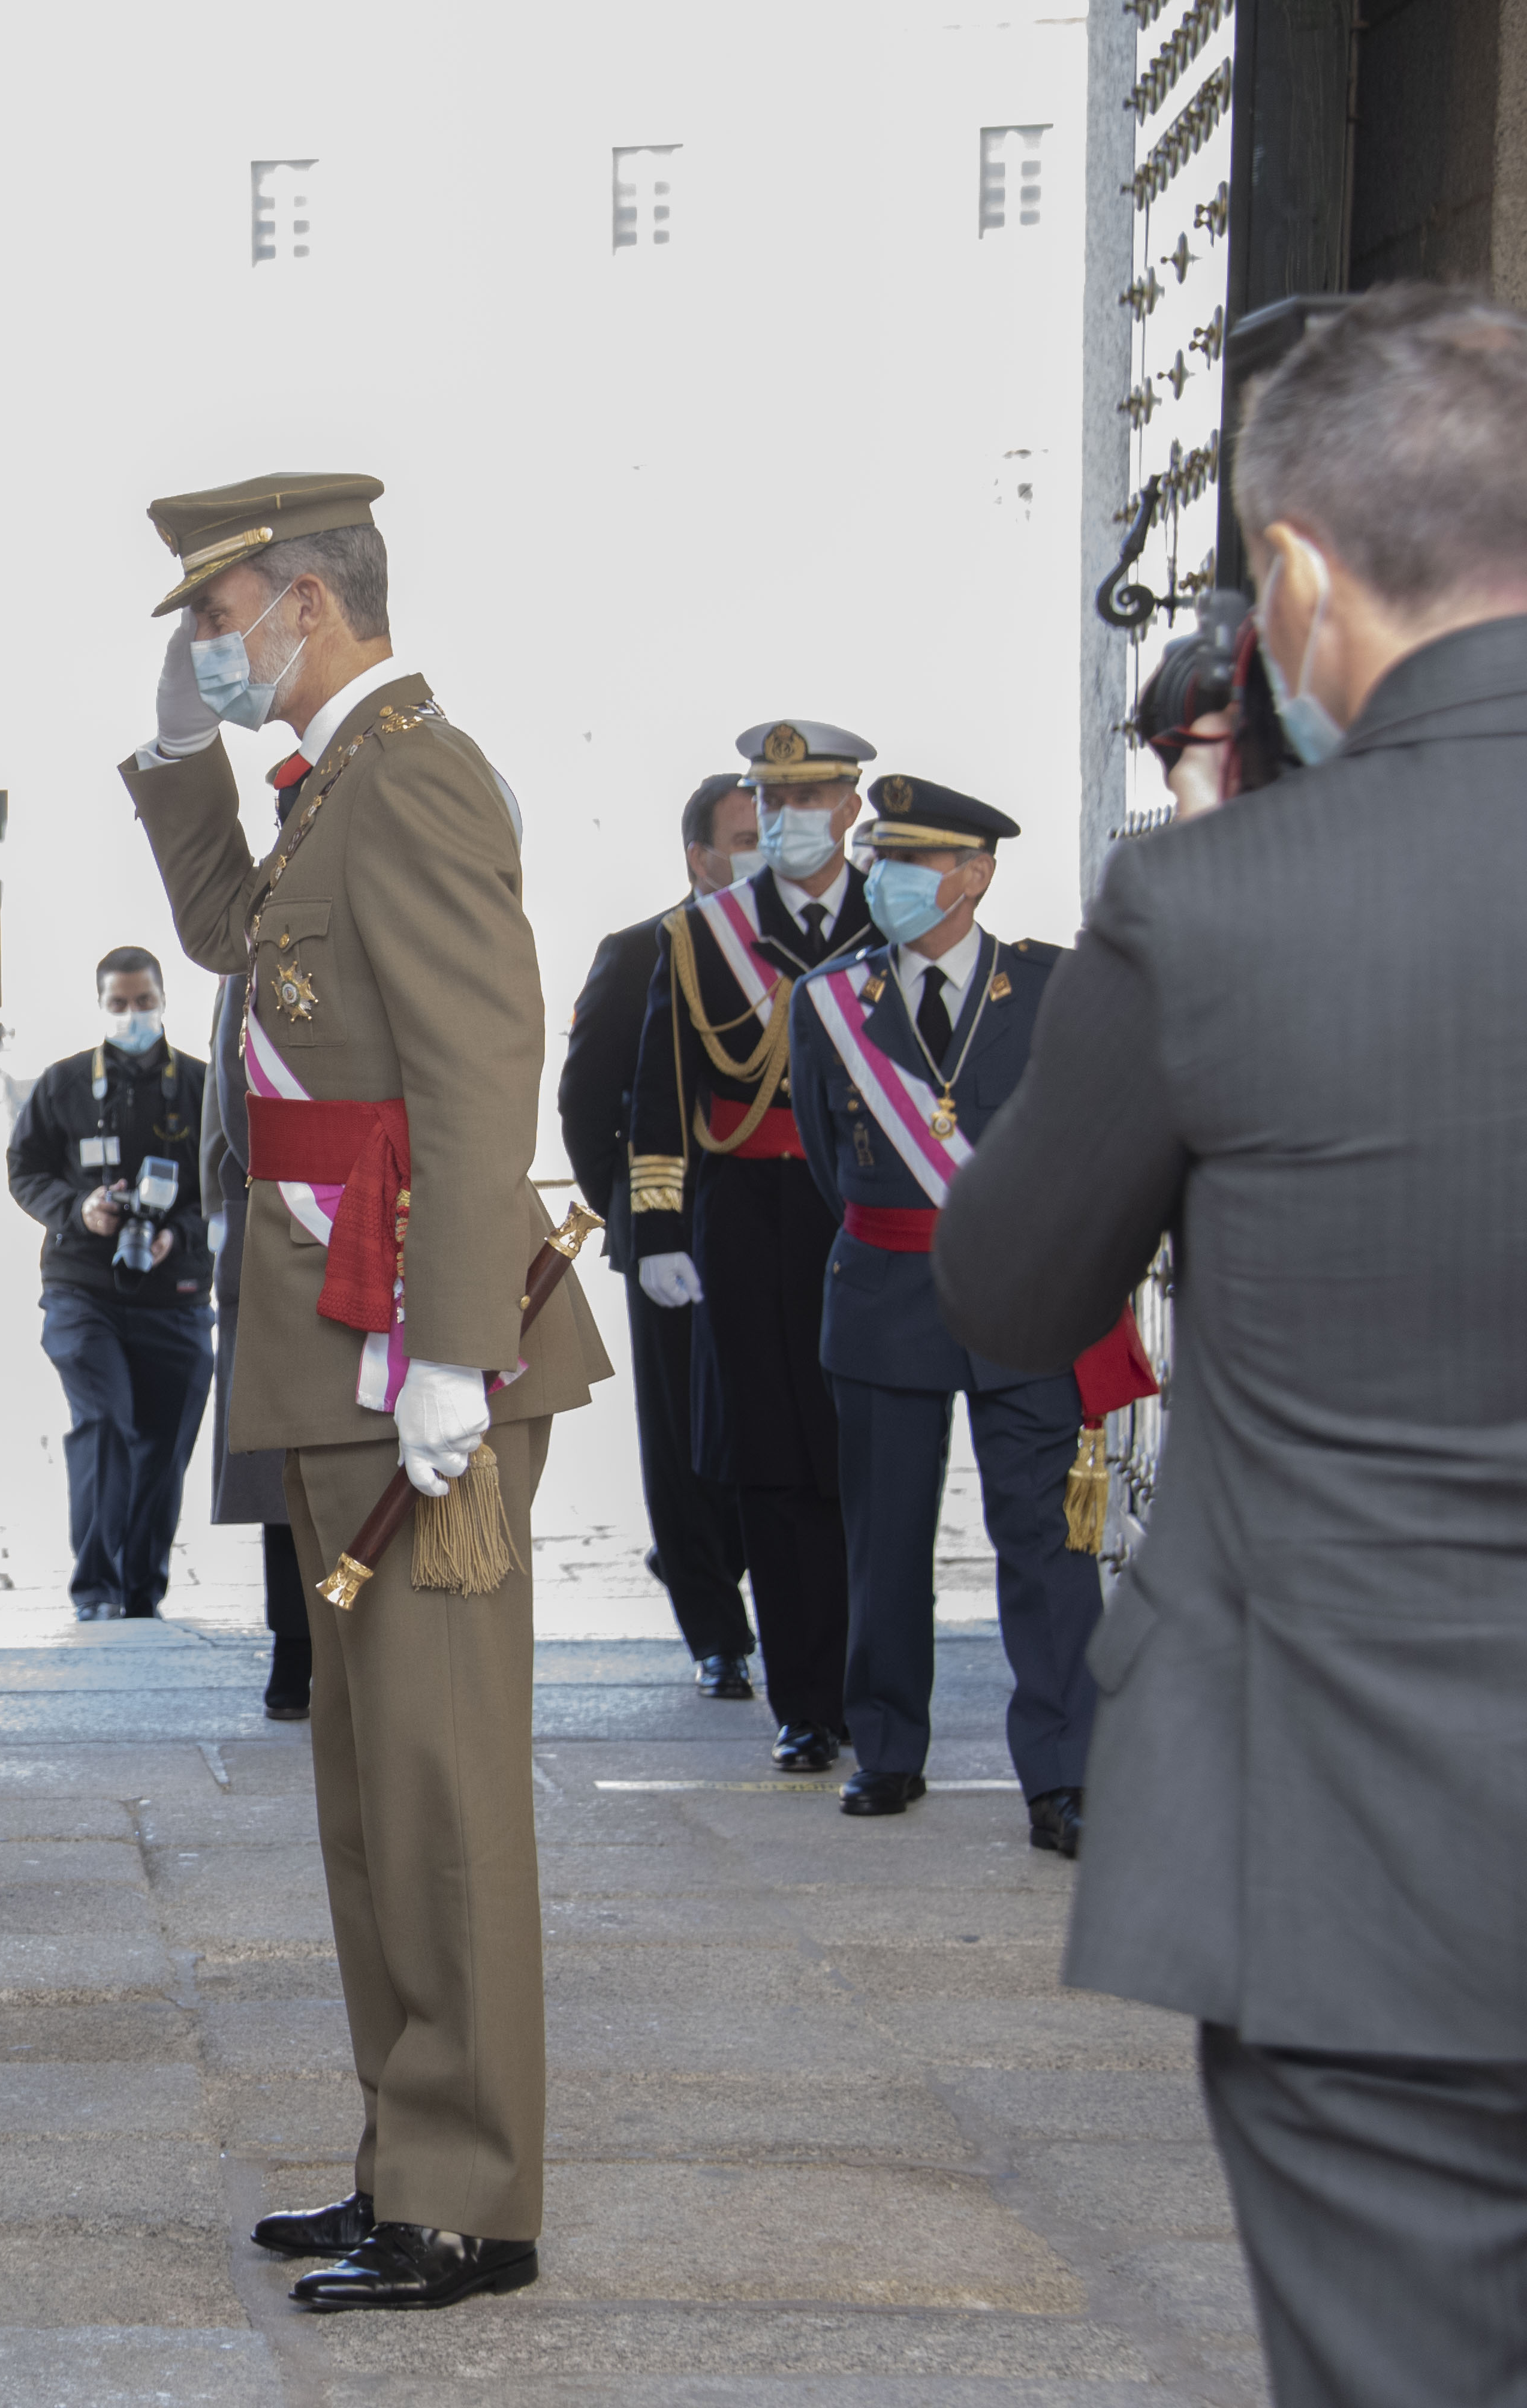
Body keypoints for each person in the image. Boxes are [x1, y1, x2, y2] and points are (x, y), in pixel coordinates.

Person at [936, 284, 1527, 2408]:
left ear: (1285, 575)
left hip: (1357, 1857)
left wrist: (1192, 867)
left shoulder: (1217, 910)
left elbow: (1003, 1292)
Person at [127, 472, 607, 2312]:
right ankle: (404, 2150)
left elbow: (482, 1066)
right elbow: (235, 946)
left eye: (216, 619)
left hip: (406, 1338)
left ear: (305, 600)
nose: (205, 647)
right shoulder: (333, 779)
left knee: (439, 1781)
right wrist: (171, 757)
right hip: (347, 1321)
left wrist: (453, 1347)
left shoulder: (413, 769)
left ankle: (469, 2200)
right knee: (367, 1784)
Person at [781, 779, 1106, 1837]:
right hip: (883, 1300)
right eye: (880, 859)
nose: (889, 880)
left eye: (914, 864)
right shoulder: (830, 1001)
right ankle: (886, 1746)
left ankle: (1062, 1772)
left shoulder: (1054, 988)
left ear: (974, 876)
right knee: (884, 1543)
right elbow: (837, 1169)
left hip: (1025, 1304)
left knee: (1046, 1549)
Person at [627, 718, 879, 1772]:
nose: (785, 821)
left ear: (850, 810)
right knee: (773, 1471)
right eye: (770, 805)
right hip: (750, 1223)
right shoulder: (702, 937)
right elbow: (660, 1096)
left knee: (867, 1466)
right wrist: (657, 1231)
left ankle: (875, 1688)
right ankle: (806, 1702)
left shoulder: (892, 918)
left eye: (807, 800)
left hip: (866, 1219)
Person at [558, 772, 758, 1697]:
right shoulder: (640, 952)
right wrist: (633, 1216)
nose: (768, 851)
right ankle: (716, 1633)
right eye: (747, 837)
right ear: (700, 857)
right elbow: (588, 1099)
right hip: (673, 1230)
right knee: (681, 1440)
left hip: (779, 1229)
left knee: (777, 1430)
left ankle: (727, 1566)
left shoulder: (807, 955)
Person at [5, 946, 214, 1621]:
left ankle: (140, 1592)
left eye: (143, 1001)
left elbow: (228, 1180)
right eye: (119, 1004)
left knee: (162, 1442)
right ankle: (95, 1586)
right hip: (83, 1286)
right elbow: (25, 1168)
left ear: (162, 998)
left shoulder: (203, 1087)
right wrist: (79, 1209)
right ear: (100, 1005)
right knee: (104, 1419)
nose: (133, 1014)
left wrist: (173, 1234)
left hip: (174, 1290)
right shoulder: (64, 1082)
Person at [200, 965, 309, 1718]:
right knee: (286, 1470)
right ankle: (294, 1644)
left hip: (368, 1203)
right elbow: (235, 1106)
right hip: (282, 1211)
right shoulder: (259, 948)